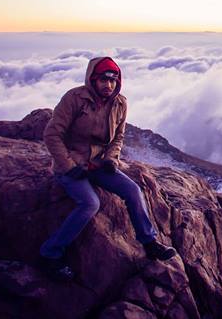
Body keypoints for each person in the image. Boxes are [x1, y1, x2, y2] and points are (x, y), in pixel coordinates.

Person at [39, 56, 176, 281]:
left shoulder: (120, 103)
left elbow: (118, 138)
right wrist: (69, 166)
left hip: (99, 164)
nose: (108, 85)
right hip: (72, 164)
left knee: (133, 191)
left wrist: (112, 159)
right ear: (92, 79)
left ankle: (149, 242)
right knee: (90, 203)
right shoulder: (74, 99)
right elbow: (52, 134)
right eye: (103, 80)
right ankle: (50, 254)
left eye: (113, 80)